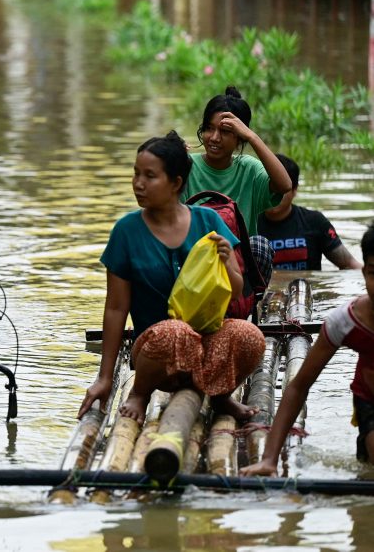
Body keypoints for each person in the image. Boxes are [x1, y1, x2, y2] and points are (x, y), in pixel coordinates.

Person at [78, 131, 266, 424]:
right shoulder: (126, 231)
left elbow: (237, 292)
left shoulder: (208, 220)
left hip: (206, 344)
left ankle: (219, 397)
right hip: (158, 352)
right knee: (175, 332)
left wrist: (229, 262)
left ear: (176, 183)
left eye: (150, 176)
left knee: (250, 336)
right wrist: (104, 378)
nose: (138, 184)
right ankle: (140, 393)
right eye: (136, 174)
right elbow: (116, 308)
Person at [243, 223, 374, 475]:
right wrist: (269, 459)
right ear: (364, 272)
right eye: (373, 273)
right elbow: (298, 386)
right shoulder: (344, 322)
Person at [183, 86, 292, 237]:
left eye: (225, 131)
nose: (214, 137)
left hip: (238, 258)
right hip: (194, 255)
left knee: (260, 247)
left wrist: (252, 137)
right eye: (209, 128)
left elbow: (285, 185)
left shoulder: (249, 169)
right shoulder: (187, 165)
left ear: (240, 139)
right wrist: (171, 160)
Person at [257, 153, 362, 271]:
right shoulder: (247, 223)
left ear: (295, 190)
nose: (272, 195)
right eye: (268, 188)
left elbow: (349, 264)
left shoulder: (314, 222)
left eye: (279, 189)